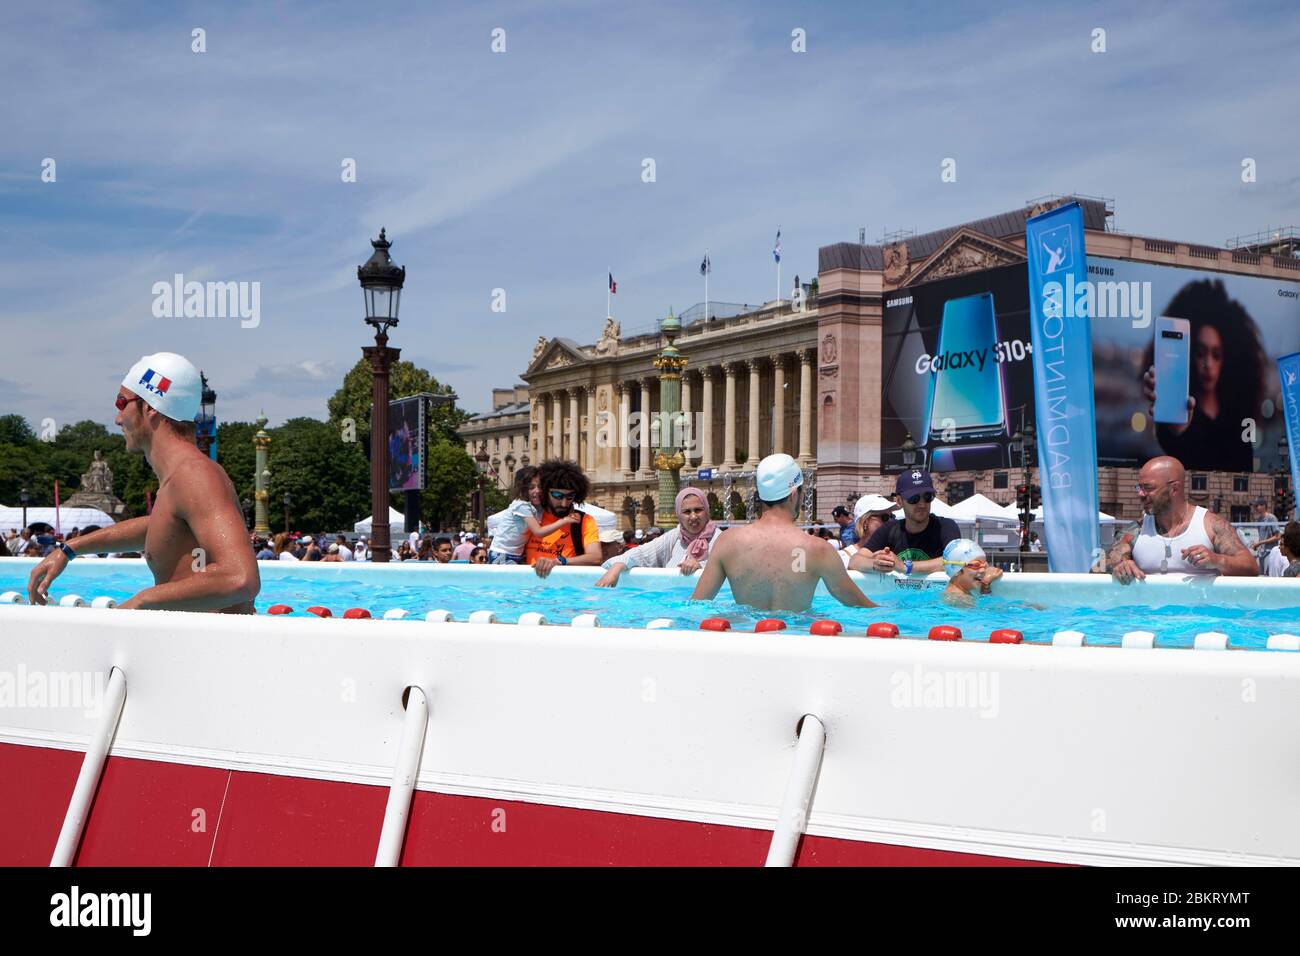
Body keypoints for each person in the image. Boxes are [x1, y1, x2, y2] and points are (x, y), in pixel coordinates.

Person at [27, 352, 259, 612]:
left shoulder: (195, 475)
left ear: (149, 407)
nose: (117, 418)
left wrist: (141, 601)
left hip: (212, 648)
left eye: (121, 403)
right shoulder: (181, 478)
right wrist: (70, 549)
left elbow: (241, 578)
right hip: (194, 644)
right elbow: (162, 529)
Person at [690, 454, 877, 612]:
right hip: (795, 642)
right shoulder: (817, 549)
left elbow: (697, 605)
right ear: (794, 494)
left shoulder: (727, 543)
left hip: (746, 640)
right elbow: (862, 607)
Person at [1141, 279, 1267, 473]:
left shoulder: (1237, 415)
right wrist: (1177, 430)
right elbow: (1174, 445)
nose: (1208, 364)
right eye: (1200, 353)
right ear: (1189, 356)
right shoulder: (1180, 415)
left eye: (1216, 355)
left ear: (1226, 360)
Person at [1103, 456, 1256, 582]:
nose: (1140, 494)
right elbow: (1099, 567)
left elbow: (1251, 567)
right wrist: (1119, 565)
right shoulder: (1136, 530)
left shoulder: (1211, 525)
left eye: (1148, 488)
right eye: (1139, 488)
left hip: (1200, 617)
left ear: (1174, 488)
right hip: (1149, 617)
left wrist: (1217, 560)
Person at [595, 486, 722, 587]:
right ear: (678, 514)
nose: (693, 516)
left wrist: (702, 567)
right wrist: (618, 566)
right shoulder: (675, 536)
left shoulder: (721, 539)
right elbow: (641, 554)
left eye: (698, 510)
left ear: (707, 511)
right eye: (687, 512)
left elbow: (732, 572)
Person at [850, 469, 960, 577]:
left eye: (927, 497)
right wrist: (876, 563)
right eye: (914, 498)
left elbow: (955, 561)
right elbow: (854, 561)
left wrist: (906, 567)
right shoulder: (890, 529)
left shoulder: (945, 526)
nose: (922, 504)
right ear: (899, 501)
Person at [490, 466, 583, 565]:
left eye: (540, 486)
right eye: (531, 487)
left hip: (516, 554)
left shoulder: (536, 505)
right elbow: (538, 531)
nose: (537, 490)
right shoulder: (521, 505)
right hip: (502, 553)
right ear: (522, 489)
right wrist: (564, 521)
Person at [525, 459, 602, 577]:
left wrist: (560, 561)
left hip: (565, 589)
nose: (564, 503)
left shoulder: (585, 521)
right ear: (545, 492)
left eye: (570, 497)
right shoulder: (530, 516)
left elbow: (595, 557)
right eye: (557, 496)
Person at [940, 540, 1005, 606]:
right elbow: (986, 614)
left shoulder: (955, 594)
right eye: (976, 565)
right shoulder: (960, 600)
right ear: (957, 570)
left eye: (985, 565)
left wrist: (985, 586)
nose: (983, 570)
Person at [838, 494, 895, 567]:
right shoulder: (843, 558)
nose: (890, 522)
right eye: (885, 517)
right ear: (865, 522)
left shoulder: (895, 556)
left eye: (892, 517)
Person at [1249, 499, 1281, 571]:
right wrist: (1257, 544)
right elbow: (1262, 536)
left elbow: (1277, 536)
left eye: (1257, 506)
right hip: (1262, 552)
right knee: (1262, 575)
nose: (1255, 507)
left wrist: (1260, 543)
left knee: (1267, 575)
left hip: (1271, 552)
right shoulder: (1259, 519)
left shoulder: (1271, 518)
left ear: (1263, 506)